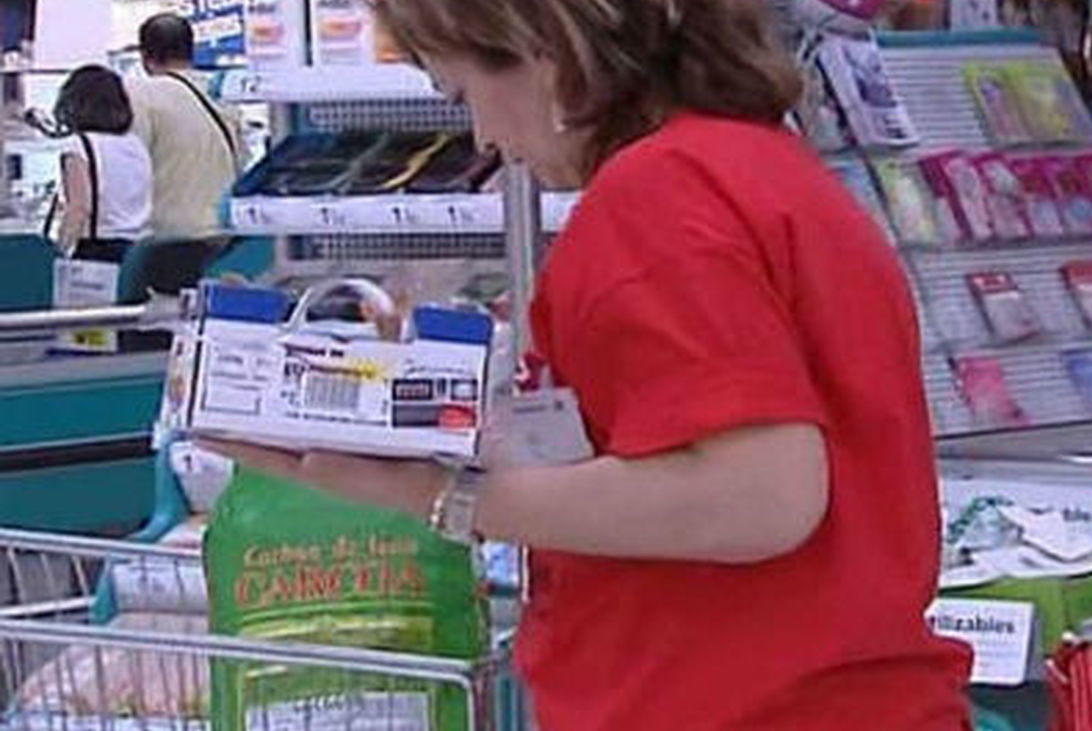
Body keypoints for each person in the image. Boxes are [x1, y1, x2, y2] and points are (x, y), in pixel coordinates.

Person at [206, 1, 973, 729]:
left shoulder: (658, 196)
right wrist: (442, 419)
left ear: (543, 48)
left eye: (463, 89)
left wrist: (447, 496)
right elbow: (669, 452)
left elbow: (761, 495)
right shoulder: (764, 169)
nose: (481, 135)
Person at [126, 13, 242, 238]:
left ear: (145, 56)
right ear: (191, 50)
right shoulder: (220, 93)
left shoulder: (140, 95)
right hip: (222, 231)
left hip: (169, 239)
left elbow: (131, 170)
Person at [52, 65, 152, 261]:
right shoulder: (135, 144)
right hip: (137, 252)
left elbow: (79, 208)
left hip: (97, 251)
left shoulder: (78, 146)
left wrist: (58, 251)